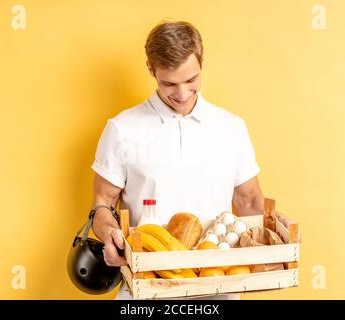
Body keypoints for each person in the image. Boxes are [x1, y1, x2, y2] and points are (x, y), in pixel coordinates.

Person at [90, 21, 265, 300]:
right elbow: (102, 204)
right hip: (144, 286)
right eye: (169, 83)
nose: (182, 94)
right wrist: (109, 236)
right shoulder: (122, 129)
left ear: (201, 64)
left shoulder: (230, 128)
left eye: (191, 80)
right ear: (151, 69)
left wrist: (274, 235)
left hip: (217, 286)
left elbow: (250, 202)